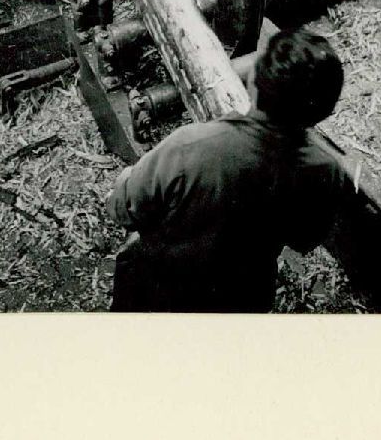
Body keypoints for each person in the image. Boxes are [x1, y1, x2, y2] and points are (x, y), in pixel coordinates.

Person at [107, 27, 353, 313]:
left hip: (161, 296)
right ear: (325, 112)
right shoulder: (326, 172)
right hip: (243, 301)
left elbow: (122, 211)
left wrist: (127, 179)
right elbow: (304, 239)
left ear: (252, 83)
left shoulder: (189, 145)